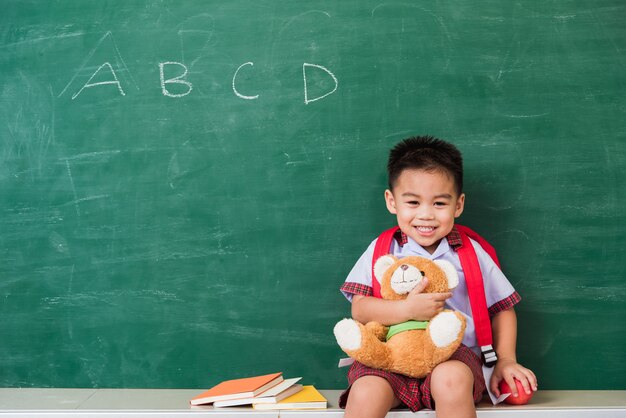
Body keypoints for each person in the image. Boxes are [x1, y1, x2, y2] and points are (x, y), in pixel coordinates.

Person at [338, 136, 537, 418]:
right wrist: (405, 309)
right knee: (366, 391)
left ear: (458, 205)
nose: (426, 215)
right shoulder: (382, 250)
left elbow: (503, 309)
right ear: (392, 201)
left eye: (440, 204)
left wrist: (506, 360)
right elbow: (359, 308)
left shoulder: (470, 252)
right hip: (390, 356)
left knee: (451, 380)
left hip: (452, 355)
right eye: (413, 202)